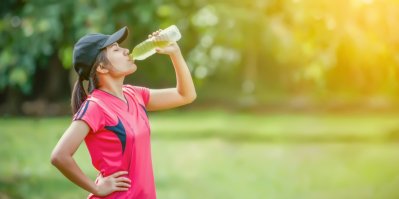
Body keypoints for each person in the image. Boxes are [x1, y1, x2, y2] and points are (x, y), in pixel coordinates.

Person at [50, 26, 196, 199]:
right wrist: (96, 189)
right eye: (116, 49)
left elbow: (185, 95)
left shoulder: (134, 94)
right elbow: (59, 156)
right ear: (102, 68)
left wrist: (175, 53)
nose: (126, 50)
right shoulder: (96, 106)